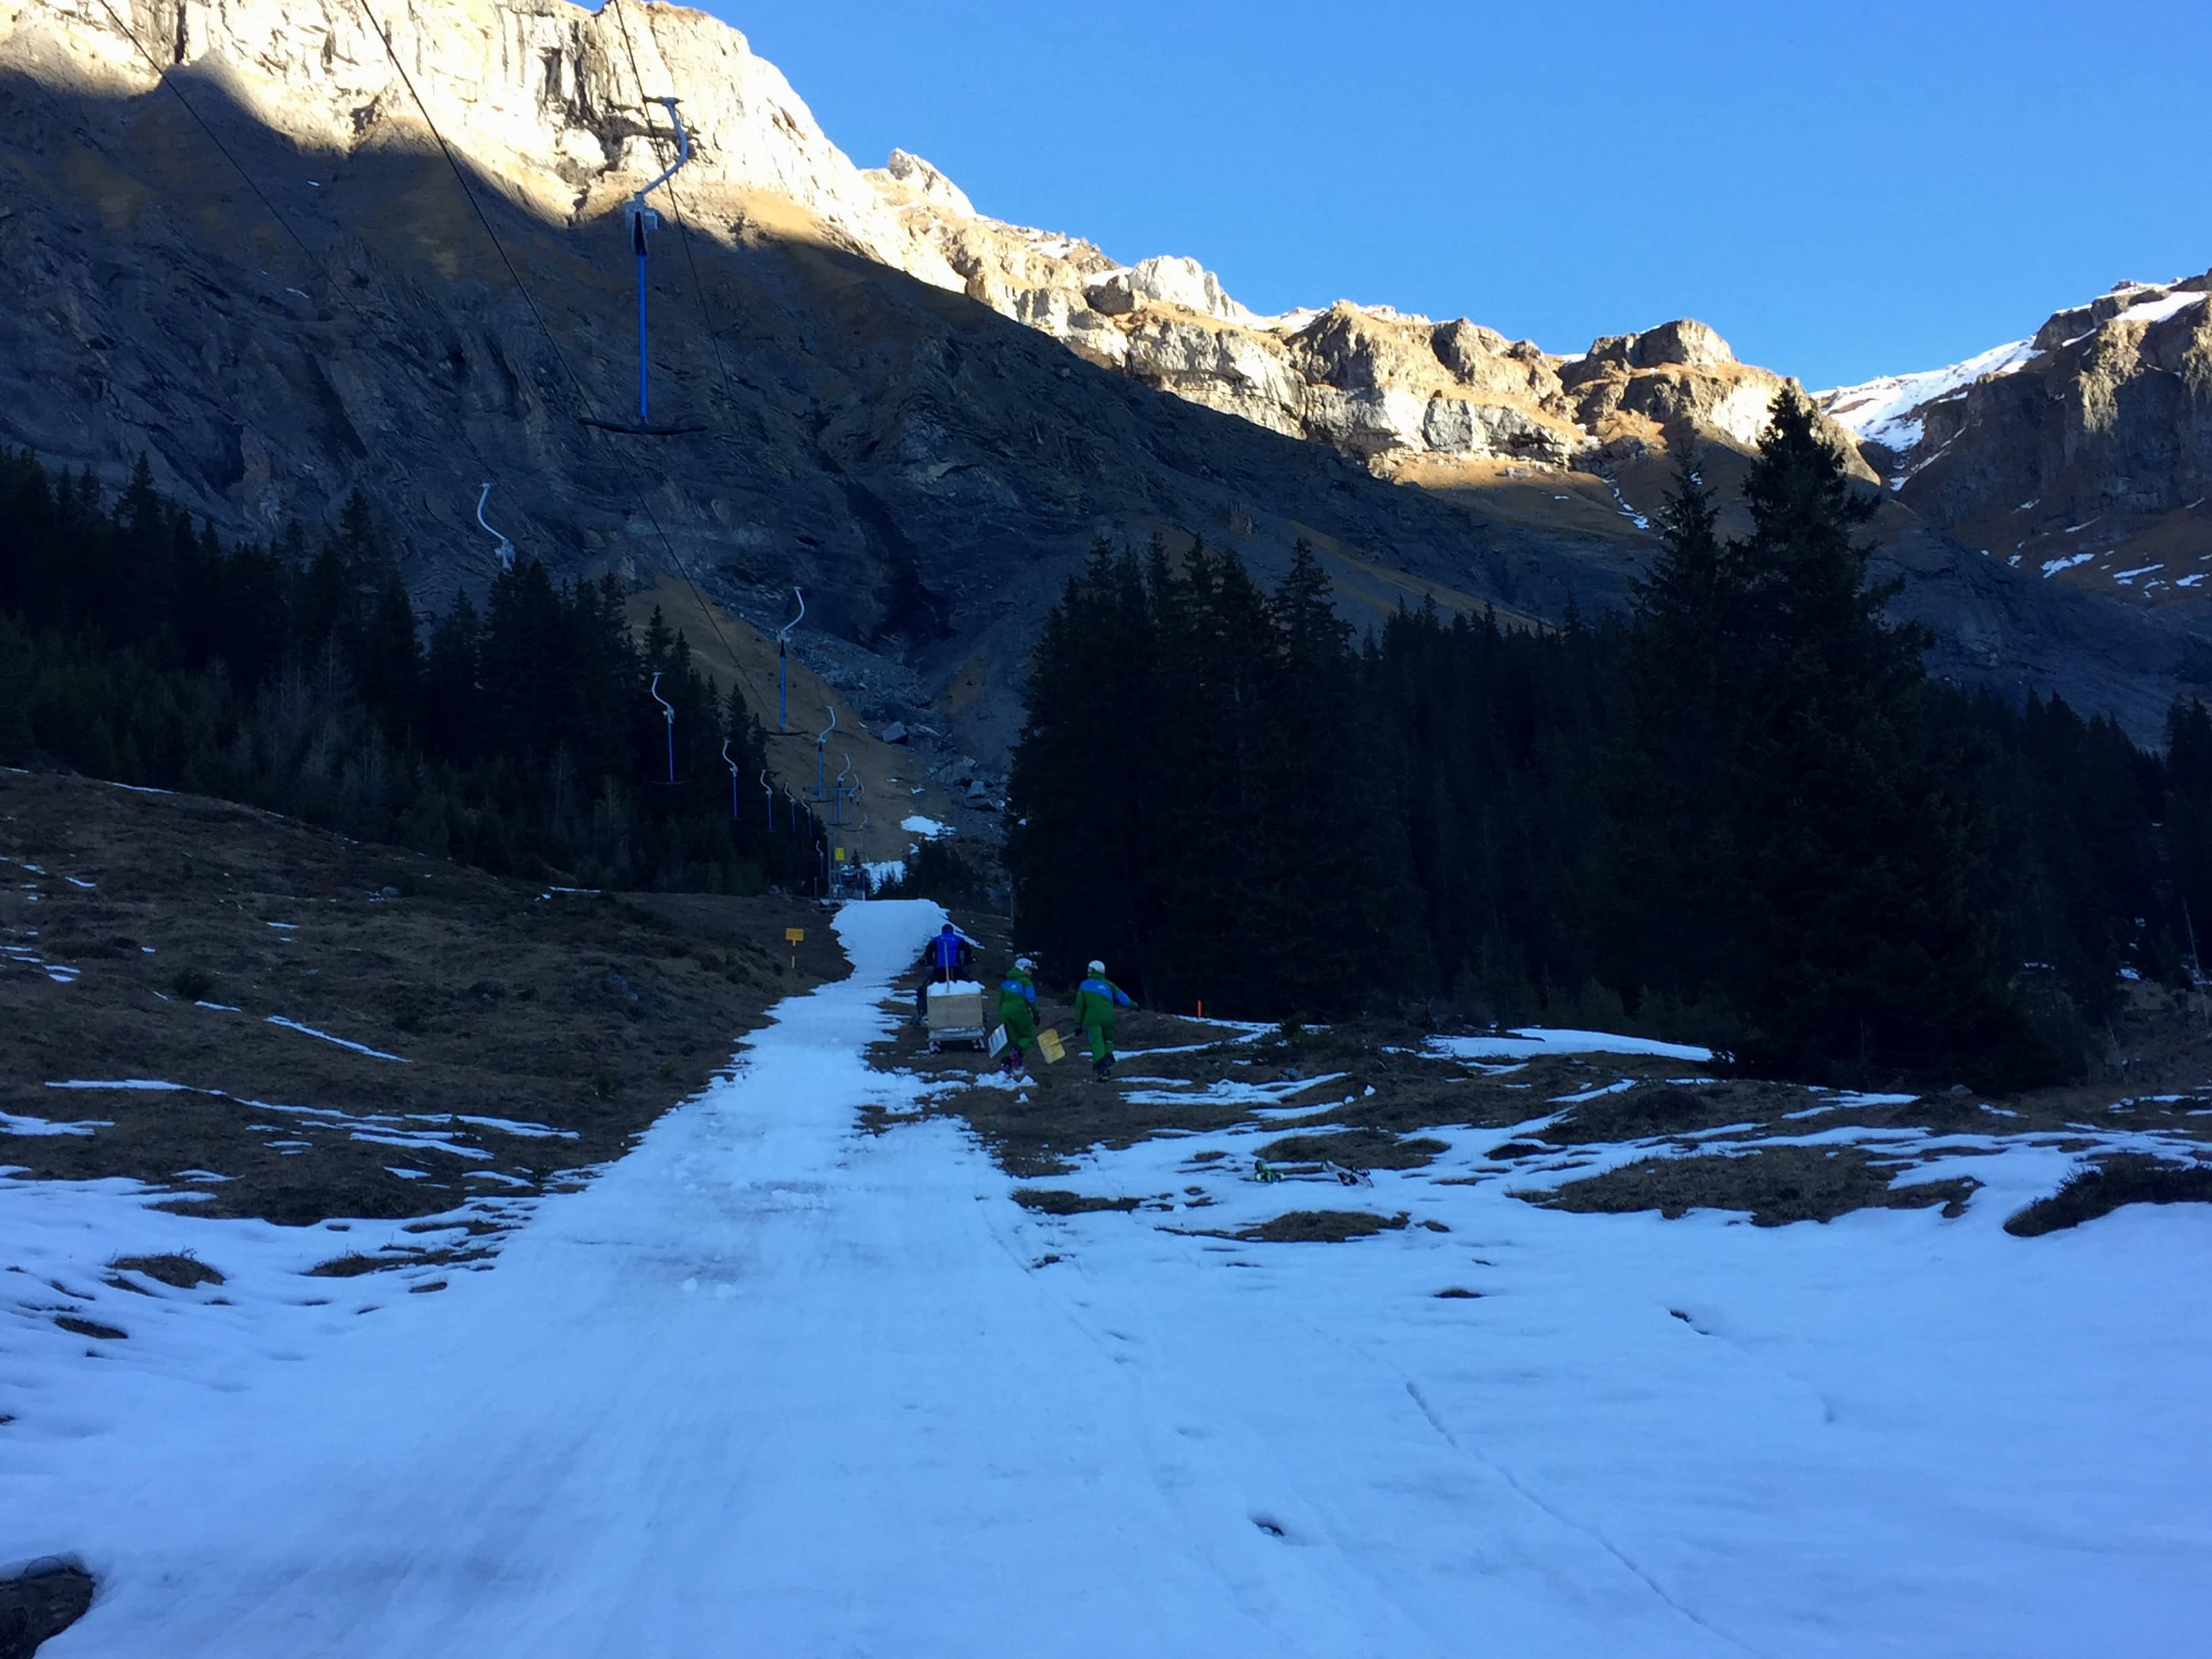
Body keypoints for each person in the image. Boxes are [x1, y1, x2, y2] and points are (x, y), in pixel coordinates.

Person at [1071, 960, 1134, 1079]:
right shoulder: (1109, 985)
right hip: (1109, 1018)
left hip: (1094, 1019)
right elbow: (1123, 999)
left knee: (1097, 1041)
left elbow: (1080, 1007)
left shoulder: (1085, 985)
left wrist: (1078, 1025)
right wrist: (1134, 1005)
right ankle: (1109, 1056)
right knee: (1108, 1039)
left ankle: (1102, 1068)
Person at [997, 956, 1039, 1076]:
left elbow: (1000, 1000)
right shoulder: (1026, 982)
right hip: (1020, 1011)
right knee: (1028, 1036)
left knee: (1010, 1038)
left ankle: (1005, 1065)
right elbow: (1032, 999)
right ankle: (1017, 1053)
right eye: (1029, 970)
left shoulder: (1005, 982)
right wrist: (1036, 1014)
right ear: (1023, 969)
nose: (1030, 973)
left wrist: (1001, 1014)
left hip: (1005, 1012)